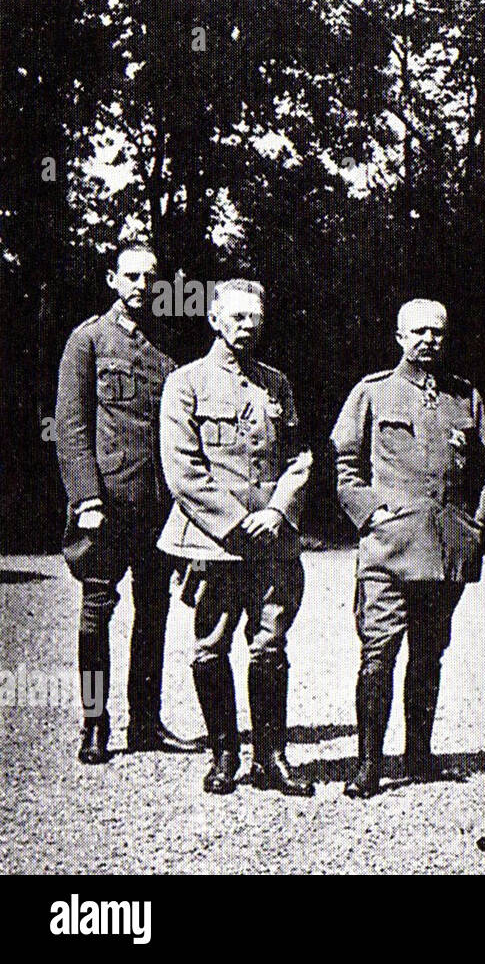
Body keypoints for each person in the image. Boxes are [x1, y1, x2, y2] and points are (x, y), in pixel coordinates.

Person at [331, 299, 485, 798]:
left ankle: (420, 756)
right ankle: (368, 765)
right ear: (400, 337)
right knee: (378, 654)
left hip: (444, 551)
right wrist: (370, 513)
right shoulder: (373, 392)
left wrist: (475, 524)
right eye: (418, 332)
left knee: (429, 655)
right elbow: (345, 465)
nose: (429, 340)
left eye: (438, 332)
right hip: (388, 550)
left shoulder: (464, 397)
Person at [158, 279, 314, 796]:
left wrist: (278, 510)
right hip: (213, 542)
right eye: (237, 318)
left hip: (271, 539)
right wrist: (233, 522)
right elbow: (183, 469)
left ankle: (272, 756)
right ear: (215, 320)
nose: (247, 327)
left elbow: (300, 457)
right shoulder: (186, 383)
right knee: (211, 645)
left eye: (255, 318)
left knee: (271, 643)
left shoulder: (277, 384)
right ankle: (225, 754)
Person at [55, 241, 202, 763]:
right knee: (96, 613)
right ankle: (94, 723)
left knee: (155, 612)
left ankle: (146, 721)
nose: (142, 285)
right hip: (107, 506)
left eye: (151, 277)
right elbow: (71, 428)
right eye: (132, 276)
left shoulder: (168, 348)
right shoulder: (88, 341)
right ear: (112, 279)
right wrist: (86, 498)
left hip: (157, 506)